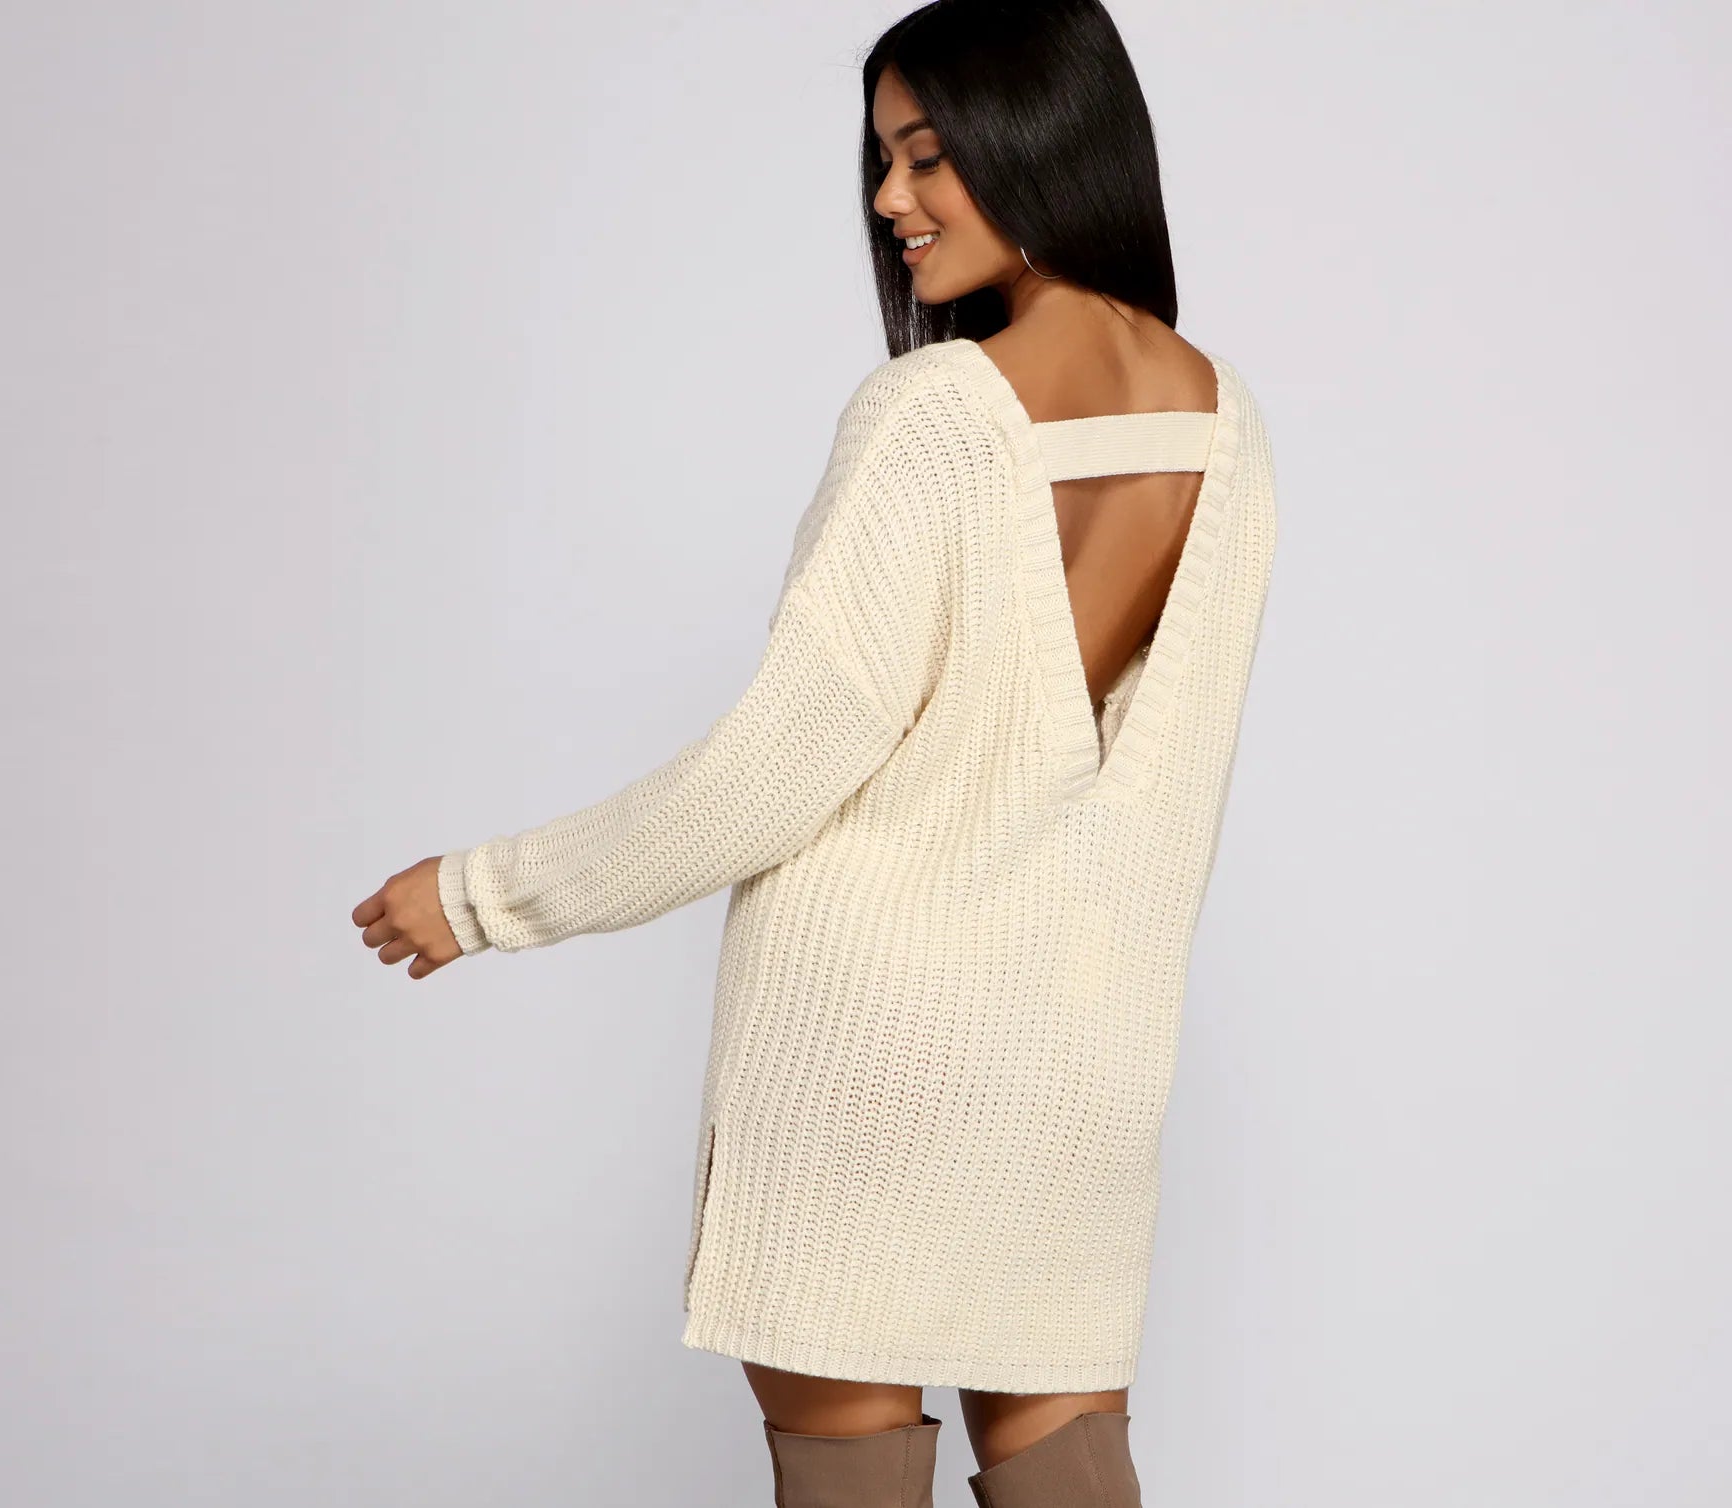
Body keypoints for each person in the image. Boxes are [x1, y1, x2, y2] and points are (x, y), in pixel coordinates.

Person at [352, 2, 1276, 1502]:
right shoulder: (1224, 421)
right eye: (882, 159)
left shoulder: (933, 413)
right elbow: (1180, 796)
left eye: (928, 156)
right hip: (1083, 1047)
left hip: (866, 1049)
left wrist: (482, 895)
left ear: (1039, 143)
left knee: (849, 1474)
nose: (891, 198)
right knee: (1068, 1468)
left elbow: (776, 769)